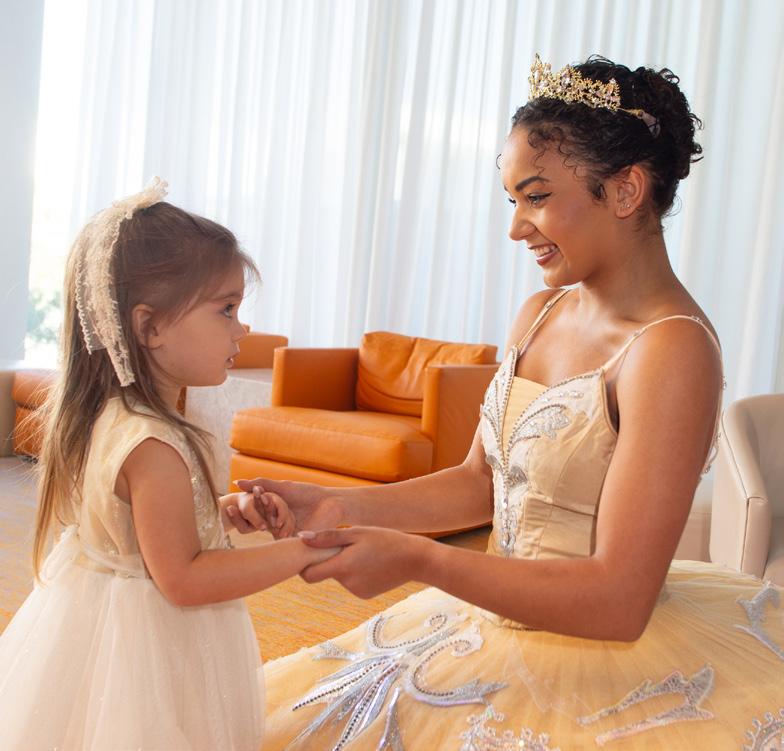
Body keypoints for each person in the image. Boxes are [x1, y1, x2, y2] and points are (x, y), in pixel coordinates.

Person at [235, 56, 784, 749]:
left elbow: (619, 603)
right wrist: (336, 506)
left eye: (537, 196)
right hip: (484, 625)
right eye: (512, 201)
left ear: (625, 190)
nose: (517, 227)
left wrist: (420, 560)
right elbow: (480, 483)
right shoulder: (539, 312)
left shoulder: (672, 350)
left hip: (595, 670)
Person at [0, 179, 338, 750]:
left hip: (101, 629)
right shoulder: (153, 444)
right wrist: (304, 551)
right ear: (149, 327)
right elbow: (183, 578)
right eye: (226, 309)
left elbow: (137, 533)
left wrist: (221, 510)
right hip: (149, 652)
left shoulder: (113, 417)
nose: (243, 327)